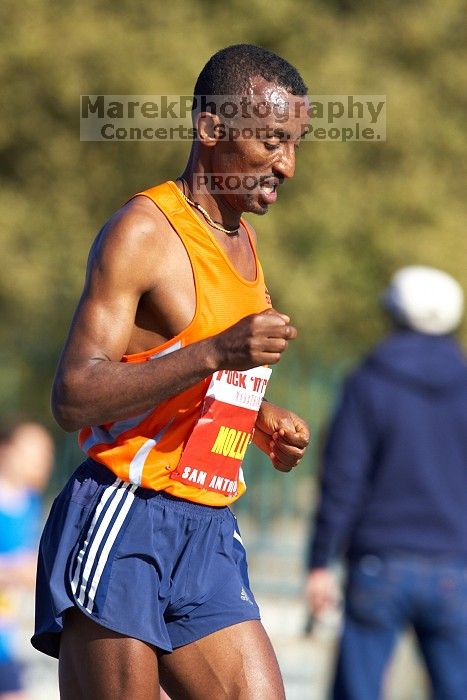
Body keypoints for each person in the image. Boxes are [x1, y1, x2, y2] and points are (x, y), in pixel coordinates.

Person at [32, 44, 310, 699]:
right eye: (271, 141)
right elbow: (73, 395)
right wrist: (218, 353)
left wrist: (255, 417)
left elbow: (169, 366)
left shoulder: (241, 237)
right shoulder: (145, 231)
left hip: (208, 529)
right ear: (211, 129)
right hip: (126, 518)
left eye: (296, 144)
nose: (288, 166)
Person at [305, 265, 467, 700]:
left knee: (358, 690)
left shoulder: (369, 383)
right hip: (455, 565)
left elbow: (343, 479)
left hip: (378, 564)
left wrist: (320, 561)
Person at [0, 421, 54, 700]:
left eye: (47, 453)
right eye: (34, 451)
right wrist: (12, 571)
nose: (43, 461)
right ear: (6, 450)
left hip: (6, 640)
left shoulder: (31, 503)